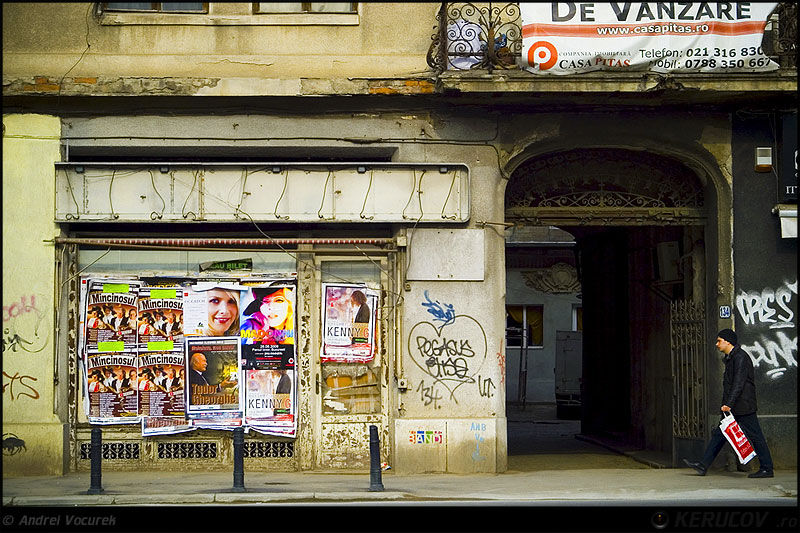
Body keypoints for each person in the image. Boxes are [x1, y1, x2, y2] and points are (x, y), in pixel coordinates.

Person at [683, 329, 774, 478]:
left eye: (719, 341)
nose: (717, 344)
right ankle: (703, 465)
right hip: (734, 406)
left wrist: (729, 404)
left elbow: (738, 383)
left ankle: (767, 468)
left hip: (743, 406)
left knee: (756, 436)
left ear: (728, 342)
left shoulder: (740, 358)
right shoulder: (732, 358)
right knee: (719, 435)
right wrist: (728, 404)